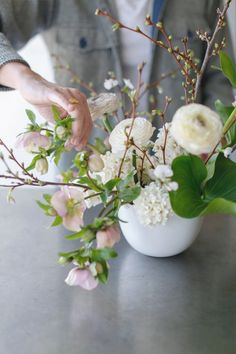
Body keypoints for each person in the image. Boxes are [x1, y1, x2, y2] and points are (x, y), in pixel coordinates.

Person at [0, 0, 234, 148]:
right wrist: (26, 79)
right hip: (89, 176)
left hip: (179, 175)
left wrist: (211, 146)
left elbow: (219, 79)